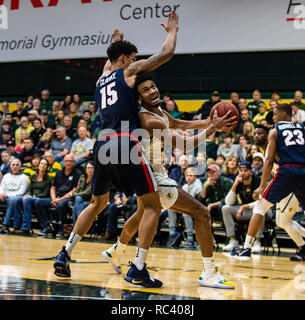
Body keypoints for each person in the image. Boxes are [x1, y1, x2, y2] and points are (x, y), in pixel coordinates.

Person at [54, 14, 179, 289]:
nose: (135, 62)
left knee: (96, 204)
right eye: (132, 57)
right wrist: (173, 30)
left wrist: (115, 44)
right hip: (125, 142)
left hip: (101, 145)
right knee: (152, 205)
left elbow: (109, 61)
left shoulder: (101, 80)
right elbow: (167, 52)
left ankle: (65, 253)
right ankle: (138, 268)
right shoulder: (128, 72)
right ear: (124, 60)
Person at [102, 73, 236, 289]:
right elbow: (183, 146)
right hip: (155, 177)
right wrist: (211, 129)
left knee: (140, 215)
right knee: (202, 213)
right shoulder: (148, 119)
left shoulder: (160, 113)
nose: (152, 91)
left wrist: (207, 122)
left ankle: (115, 251)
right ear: (139, 97)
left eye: (153, 86)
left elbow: (176, 122)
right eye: (145, 90)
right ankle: (209, 273)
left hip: (148, 175)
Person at [231, 103, 305, 260]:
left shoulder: (275, 131)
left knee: (260, 206)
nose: (273, 117)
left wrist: (261, 186)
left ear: (283, 115)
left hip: (287, 172)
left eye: (275, 114)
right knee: (283, 221)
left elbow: (270, 160)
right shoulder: (302, 128)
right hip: (303, 171)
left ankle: (246, 249)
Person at [222, 161, 272, 253]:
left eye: (245, 170)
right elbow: (228, 202)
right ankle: (233, 240)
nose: (242, 173)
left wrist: (243, 207)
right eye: (240, 171)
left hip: (263, 209)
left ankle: (257, 241)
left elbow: (261, 201)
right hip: (247, 211)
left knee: (260, 210)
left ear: (251, 172)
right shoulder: (239, 182)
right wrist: (234, 185)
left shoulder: (258, 181)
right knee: (225, 208)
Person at [15, 158, 53, 236]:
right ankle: (18, 226)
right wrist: (29, 194)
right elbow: (29, 189)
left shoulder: (49, 179)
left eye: (45, 164)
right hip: (31, 198)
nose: (43, 166)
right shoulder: (33, 177)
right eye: (41, 163)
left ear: (47, 167)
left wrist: (33, 196)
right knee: (21, 199)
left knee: (27, 199)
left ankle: (26, 227)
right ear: (38, 165)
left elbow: (45, 193)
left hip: (42, 198)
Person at [50, 154, 81, 237]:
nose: (68, 163)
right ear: (63, 162)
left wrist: (58, 200)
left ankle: (61, 228)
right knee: (39, 203)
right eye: (67, 161)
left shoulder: (77, 173)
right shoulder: (59, 173)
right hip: (56, 198)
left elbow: (75, 189)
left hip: (69, 199)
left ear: (74, 162)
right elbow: (53, 188)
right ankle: (47, 227)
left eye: (71, 161)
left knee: (61, 205)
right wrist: (53, 199)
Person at [0, 159, 29, 234]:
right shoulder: (6, 176)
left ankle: (5, 224)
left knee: (12, 200)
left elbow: (21, 192)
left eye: (17, 165)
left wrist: (8, 195)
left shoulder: (24, 177)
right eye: (13, 165)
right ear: (10, 167)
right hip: (4, 197)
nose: (15, 167)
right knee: (10, 200)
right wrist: (1, 194)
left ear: (20, 167)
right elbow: (1, 187)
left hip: (17, 198)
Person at [69, 161, 94, 225]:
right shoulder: (82, 177)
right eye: (88, 168)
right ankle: (80, 226)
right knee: (77, 201)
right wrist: (74, 193)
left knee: (77, 204)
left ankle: (77, 228)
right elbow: (78, 189)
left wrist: (73, 194)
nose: (90, 170)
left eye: (92, 168)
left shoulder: (95, 179)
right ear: (85, 169)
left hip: (91, 200)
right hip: (81, 199)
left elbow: (88, 192)